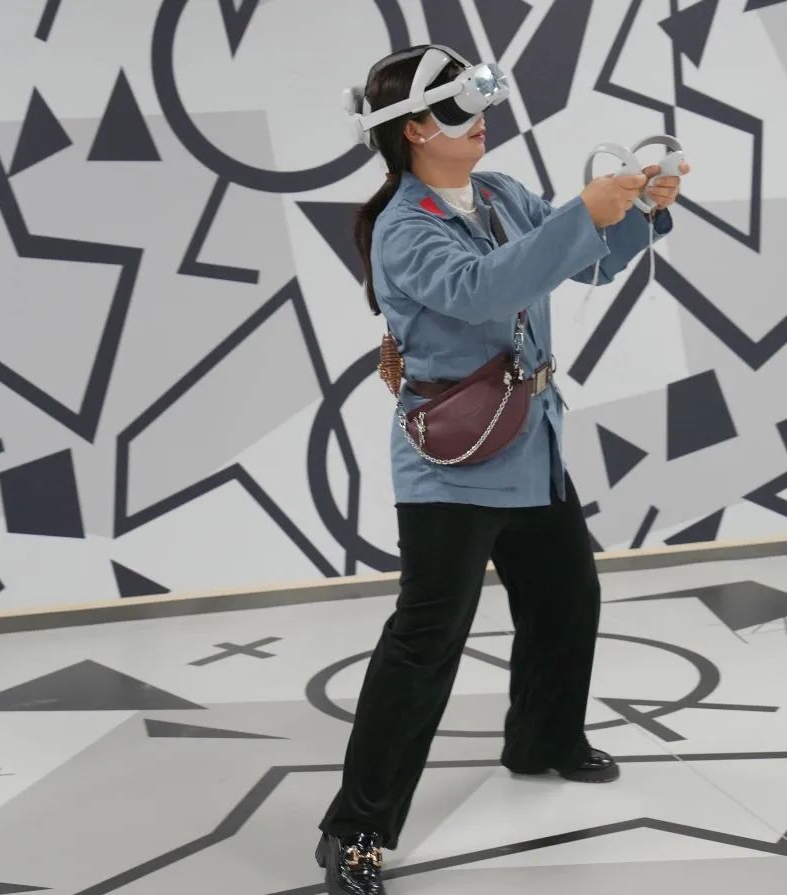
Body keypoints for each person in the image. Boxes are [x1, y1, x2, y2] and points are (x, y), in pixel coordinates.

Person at [316, 45, 689, 894]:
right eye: (455, 110)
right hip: (453, 459)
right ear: (413, 130)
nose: (478, 121)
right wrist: (584, 211)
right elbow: (485, 286)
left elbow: (586, 260)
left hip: (528, 438)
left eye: (477, 104)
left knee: (566, 596)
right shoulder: (403, 228)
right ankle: (356, 830)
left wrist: (639, 211)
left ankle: (544, 738)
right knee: (426, 640)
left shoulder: (502, 193)